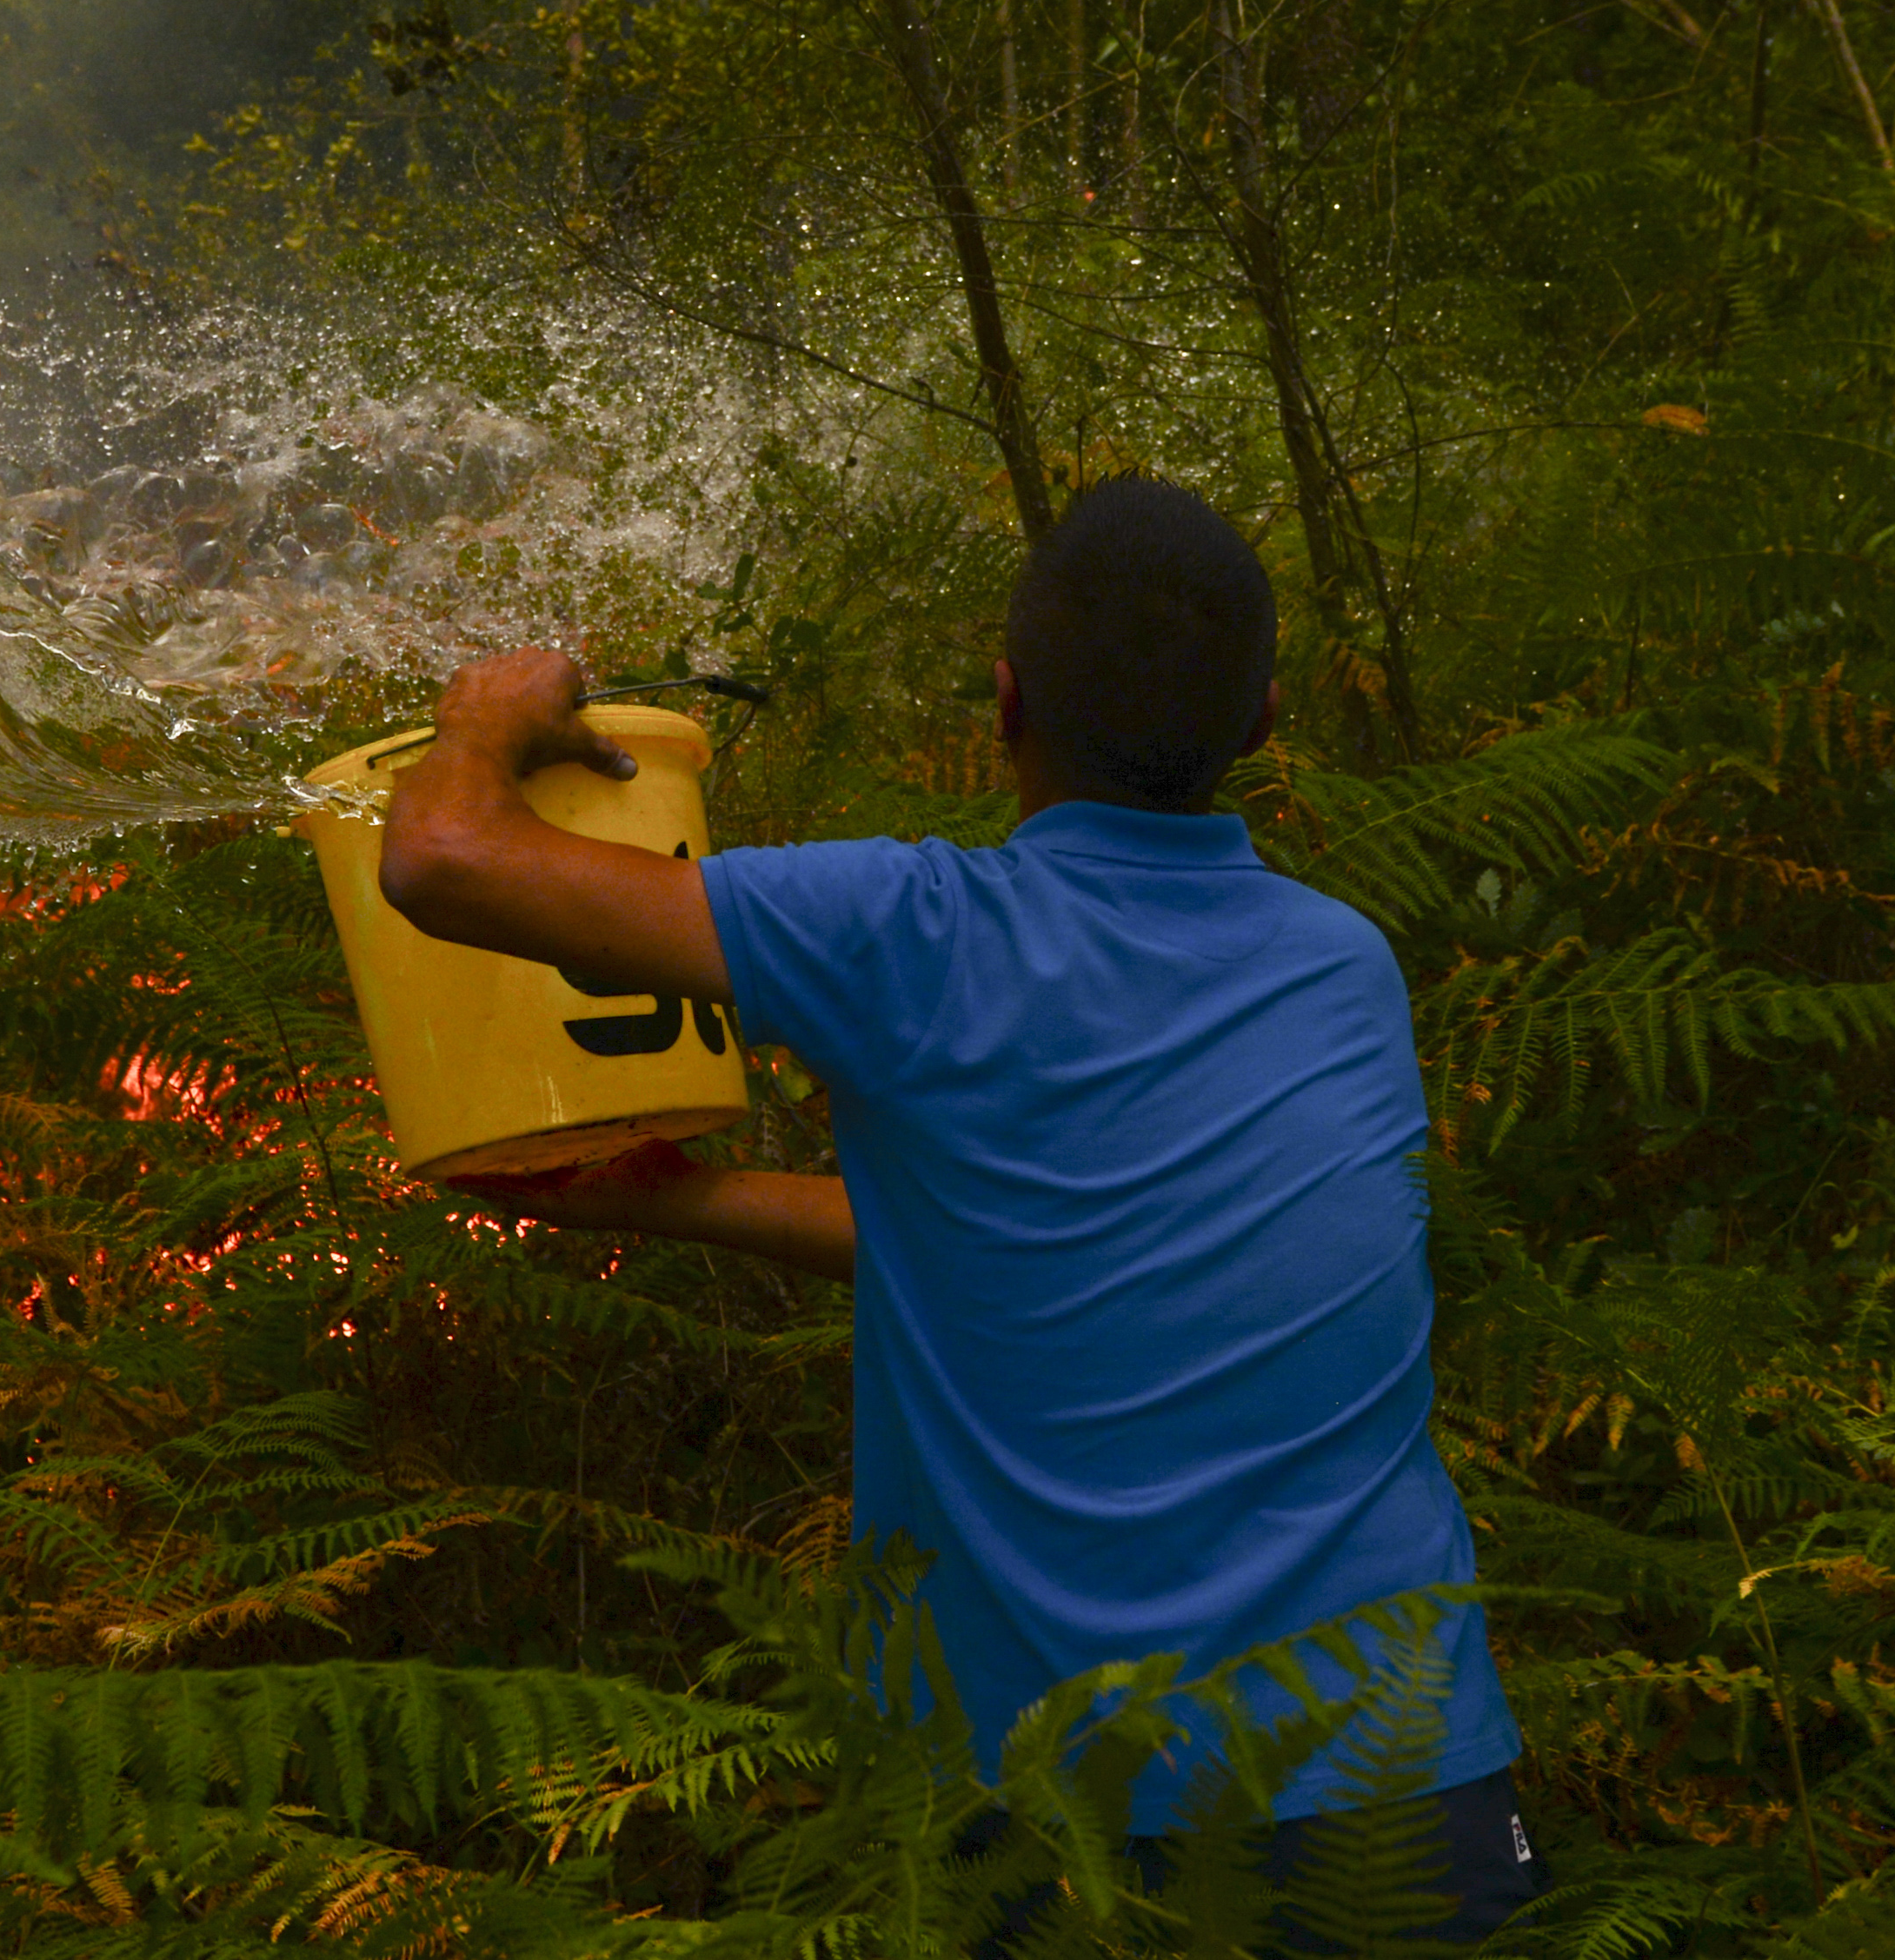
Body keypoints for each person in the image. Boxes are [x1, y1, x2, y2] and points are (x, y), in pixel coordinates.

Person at [376, 477, 1545, 1942]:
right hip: (1405, 1778)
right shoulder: (1341, 967)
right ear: (1258, 729)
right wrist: (686, 1203)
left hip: (1068, 1813)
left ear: (1002, 702)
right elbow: (1044, 1245)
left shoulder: (911, 933)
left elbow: (440, 858)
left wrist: (486, 715)